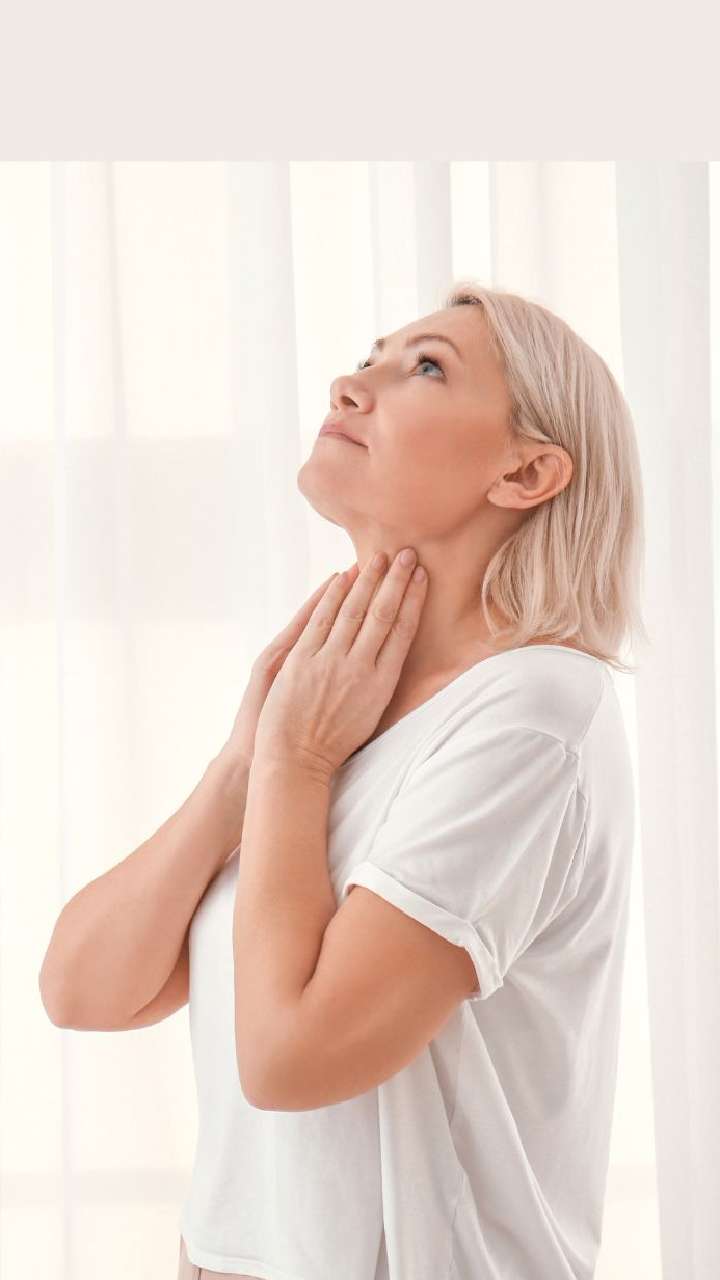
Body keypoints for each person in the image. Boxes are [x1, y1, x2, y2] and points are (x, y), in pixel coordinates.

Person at [40, 282, 649, 1280]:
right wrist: (243, 766)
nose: (351, 383)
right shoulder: (338, 711)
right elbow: (82, 988)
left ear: (527, 470)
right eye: (371, 356)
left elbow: (292, 1059)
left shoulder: (535, 713)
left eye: (426, 367)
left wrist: (293, 764)